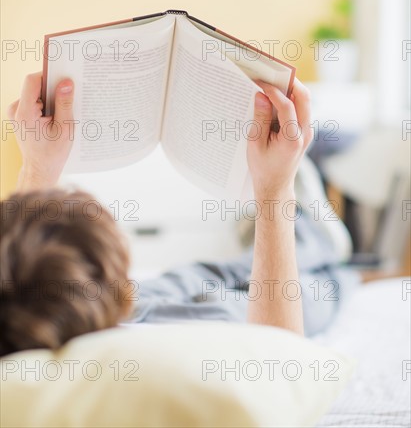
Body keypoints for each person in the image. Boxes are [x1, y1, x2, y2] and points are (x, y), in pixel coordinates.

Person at [0, 72, 366, 357]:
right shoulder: (183, 354)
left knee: (211, 273)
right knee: (318, 287)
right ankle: (317, 231)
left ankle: (286, 219)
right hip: (154, 321)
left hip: (119, 308)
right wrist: (273, 190)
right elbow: (280, 364)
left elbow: (16, 284)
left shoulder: (20, 324)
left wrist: (38, 167)